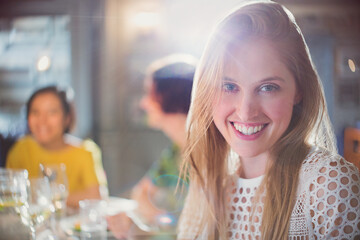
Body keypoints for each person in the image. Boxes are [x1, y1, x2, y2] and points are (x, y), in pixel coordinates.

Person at [177, 2, 360, 240]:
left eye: (267, 87)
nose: (245, 112)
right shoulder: (208, 183)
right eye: (229, 86)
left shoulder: (329, 186)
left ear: (299, 91)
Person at [106, 54, 197, 239]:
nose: (143, 103)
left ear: (172, 97)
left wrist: (152, 221)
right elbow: (140, 192)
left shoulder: (208, 158)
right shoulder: (174, 153)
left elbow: (194, 230)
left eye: (150, 94)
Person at [6, 86, 102, 208]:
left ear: (67, 118)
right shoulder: (21, 149)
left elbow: (96, 197)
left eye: (52, 112)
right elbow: (9, 195)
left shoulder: (84, 152)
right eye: (35, 112)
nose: (42, 120)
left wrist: (44, 197)